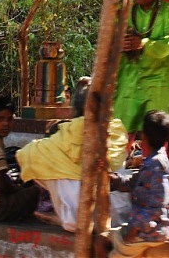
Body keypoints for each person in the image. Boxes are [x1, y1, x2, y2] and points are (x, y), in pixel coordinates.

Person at [16, 79, 127, 232]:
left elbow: (25, 155)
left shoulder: (71, 131)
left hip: (79, 217)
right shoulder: (117, 129)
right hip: (116, 213)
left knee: (41, 162)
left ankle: (63, 216)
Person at [114, 0, 169, 137]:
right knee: (121, 133)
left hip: (159, 84)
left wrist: (143, 44)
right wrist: (119, 44)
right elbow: (110, 39)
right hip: (129, 82)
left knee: (156, 134)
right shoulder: (125, 11)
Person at [106, 111, 169, 258]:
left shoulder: (157, 165)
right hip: (147, 230)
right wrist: (109, 176)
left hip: (150, 233)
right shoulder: (152, 161)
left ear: (144, 136)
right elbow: (132, 183)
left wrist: (134, 230)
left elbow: (157, 204)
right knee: (109, 236)